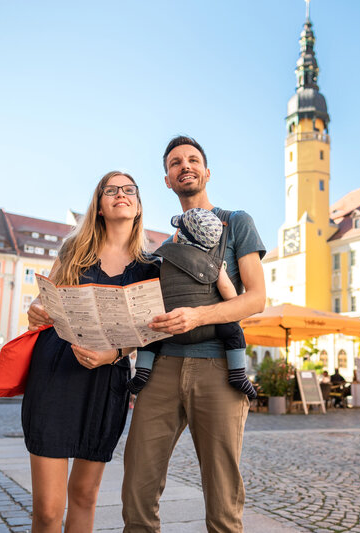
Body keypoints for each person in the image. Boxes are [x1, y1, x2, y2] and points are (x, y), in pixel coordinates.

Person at [121, 136, 266, 532]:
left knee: (222, 503)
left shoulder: (236, 222)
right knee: (137, 490)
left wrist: (198, 316)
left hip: (218, 368)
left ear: (206, 172)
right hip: (160, 371)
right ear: (167, 179)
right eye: (175, 162)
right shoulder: (162, 246)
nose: (184, 165)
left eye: (192, 160)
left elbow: (256, 299)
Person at [25, 171, 159, 533]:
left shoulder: (151, 267)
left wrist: (114, 353)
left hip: (106, 380)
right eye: (110, 190)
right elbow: (42, 305)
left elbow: (149, 333)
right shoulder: (74, 251)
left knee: (85, 496)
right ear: (99, 206)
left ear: (138, 204)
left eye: (129, 190)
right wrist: (36, 311)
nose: (121, 194)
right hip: (55, 375)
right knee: (49, 510)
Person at [126, 207, 256, 399]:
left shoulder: (164, 259)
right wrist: (233, 303)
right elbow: (230, 295)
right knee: (233, 329)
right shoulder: (215, 264)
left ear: (180, 235)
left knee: (151, 328)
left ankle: (143, 371)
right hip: (207, 329)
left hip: (168, 329)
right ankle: (237, 373)